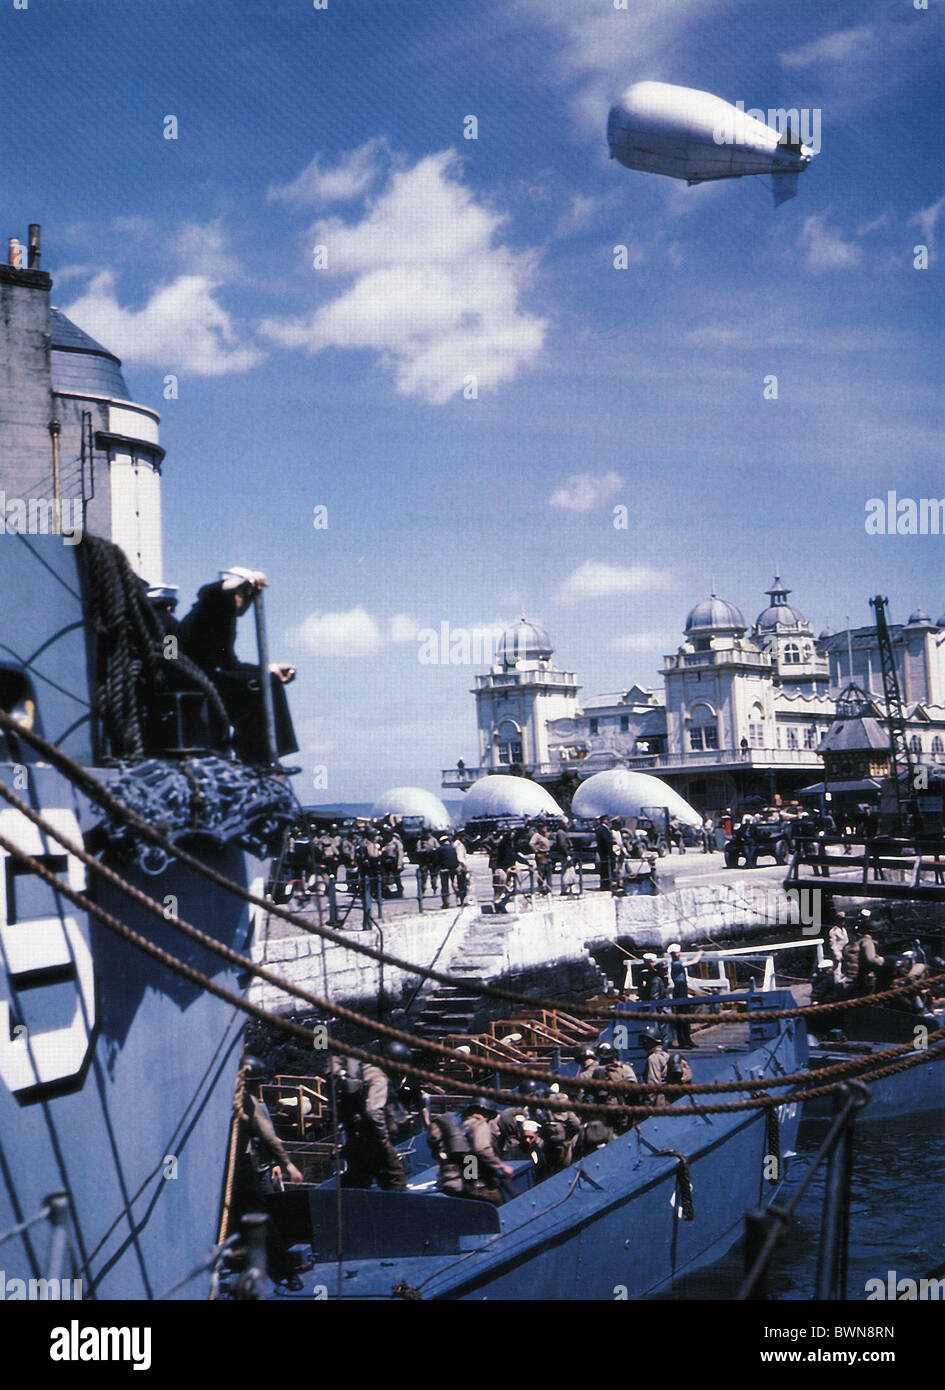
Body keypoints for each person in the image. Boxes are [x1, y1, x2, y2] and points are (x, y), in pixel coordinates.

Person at [179, 567, 298, 765]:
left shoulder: (227, 620)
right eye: (248, 596)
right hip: (197, 680)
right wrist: (245, 582)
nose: (250, 603)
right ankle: (255, 756)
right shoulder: (211, 605)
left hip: (214, 677)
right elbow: (210, 591)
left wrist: (270, 669)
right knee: (264, 686)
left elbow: (231, 664)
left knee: (270, 680)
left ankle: (264, 754)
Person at [328, 1054, 407, 1191]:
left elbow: (336, 1111)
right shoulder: (378, 1078)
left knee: (355, 1181)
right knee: (396, 1181)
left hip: (354, 1140)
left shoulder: (343, 1085)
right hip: (375, 1141)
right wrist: (383, 1140)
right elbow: (373, 1111)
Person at [462, 1099, 515, 1203]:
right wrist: (500, 1165)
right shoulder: (479, 1126)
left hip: (464, 1183)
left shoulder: (462, 1126)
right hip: (480, 1184)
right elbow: (482, 1149)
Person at [666, 943, 701, 1048]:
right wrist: (700, 953)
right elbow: (694, 962)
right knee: (682, 1017)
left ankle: (688, 1040)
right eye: (677, 952)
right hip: (680, 990)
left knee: (686, 1016)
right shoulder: (676, 964)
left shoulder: (676, 963)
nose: (679, 954)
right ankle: (683, 1041)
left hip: (683, 989)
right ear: (673, 954)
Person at [595, 816, 615, 892]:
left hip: (604, 852)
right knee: (605, 870)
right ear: (604, 821)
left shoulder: (603, 828)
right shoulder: (602, 829)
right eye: (607, 820)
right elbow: (606, 841)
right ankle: (605, 886)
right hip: (605, 853)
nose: (608, 821)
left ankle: (606, 885)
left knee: (606, 870)